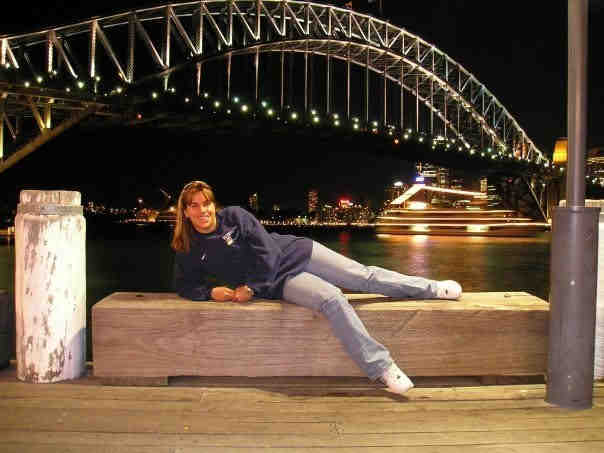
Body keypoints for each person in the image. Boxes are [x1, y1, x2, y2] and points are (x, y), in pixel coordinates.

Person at [172, 181, 462, 395]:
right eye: (194, 205)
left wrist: (252, 288)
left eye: (206, 202)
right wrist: (210, 292)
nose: (202, 210)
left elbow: (268, 253)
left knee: (361, 276)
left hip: (295, 253)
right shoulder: (189, 248)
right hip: (280, 283)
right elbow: (184, 284)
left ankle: (432, 287)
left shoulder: (234, 217)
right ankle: (382, 368)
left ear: (213, 204)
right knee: (332, 298)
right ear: (185, 212)